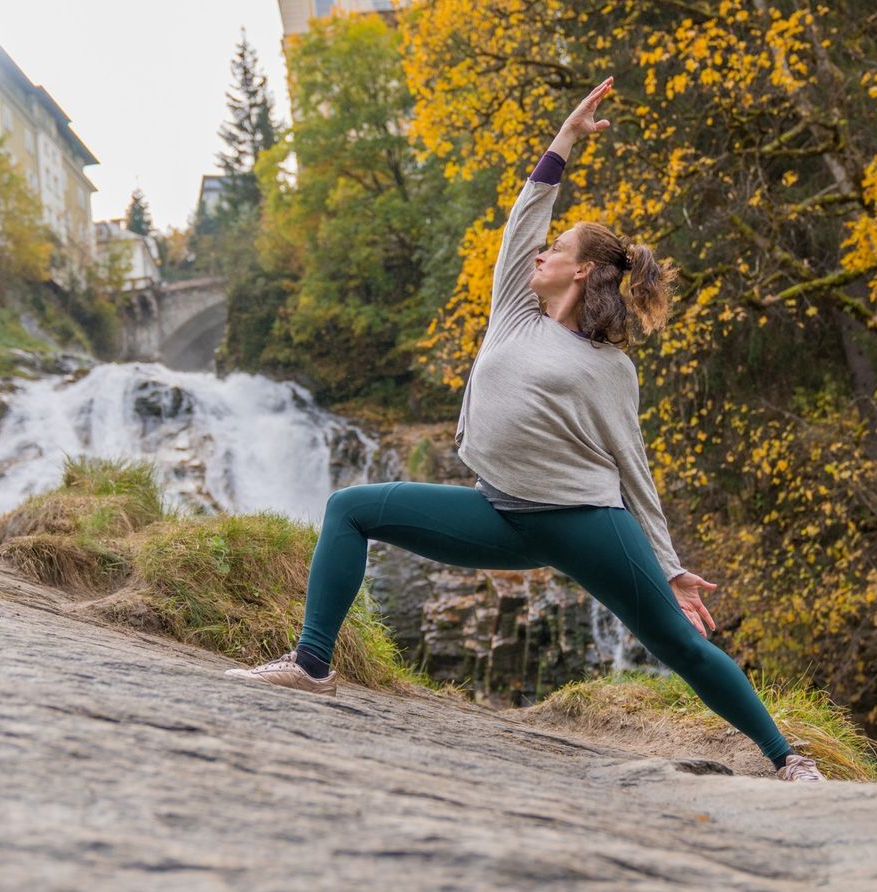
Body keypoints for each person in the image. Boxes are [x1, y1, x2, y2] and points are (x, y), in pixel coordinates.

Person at [227, 76, 825, 783]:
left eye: (556, 250)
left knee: (680, 646)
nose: (539, 255)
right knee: (350, 510)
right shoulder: (514, 311)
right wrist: (564, 141)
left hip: (587, 523)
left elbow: (633, 468)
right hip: (499, 513)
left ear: (583, 271)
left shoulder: (609, 366)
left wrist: (668, 567)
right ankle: (311, 663)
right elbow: (523, 222)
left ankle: (789, 758)